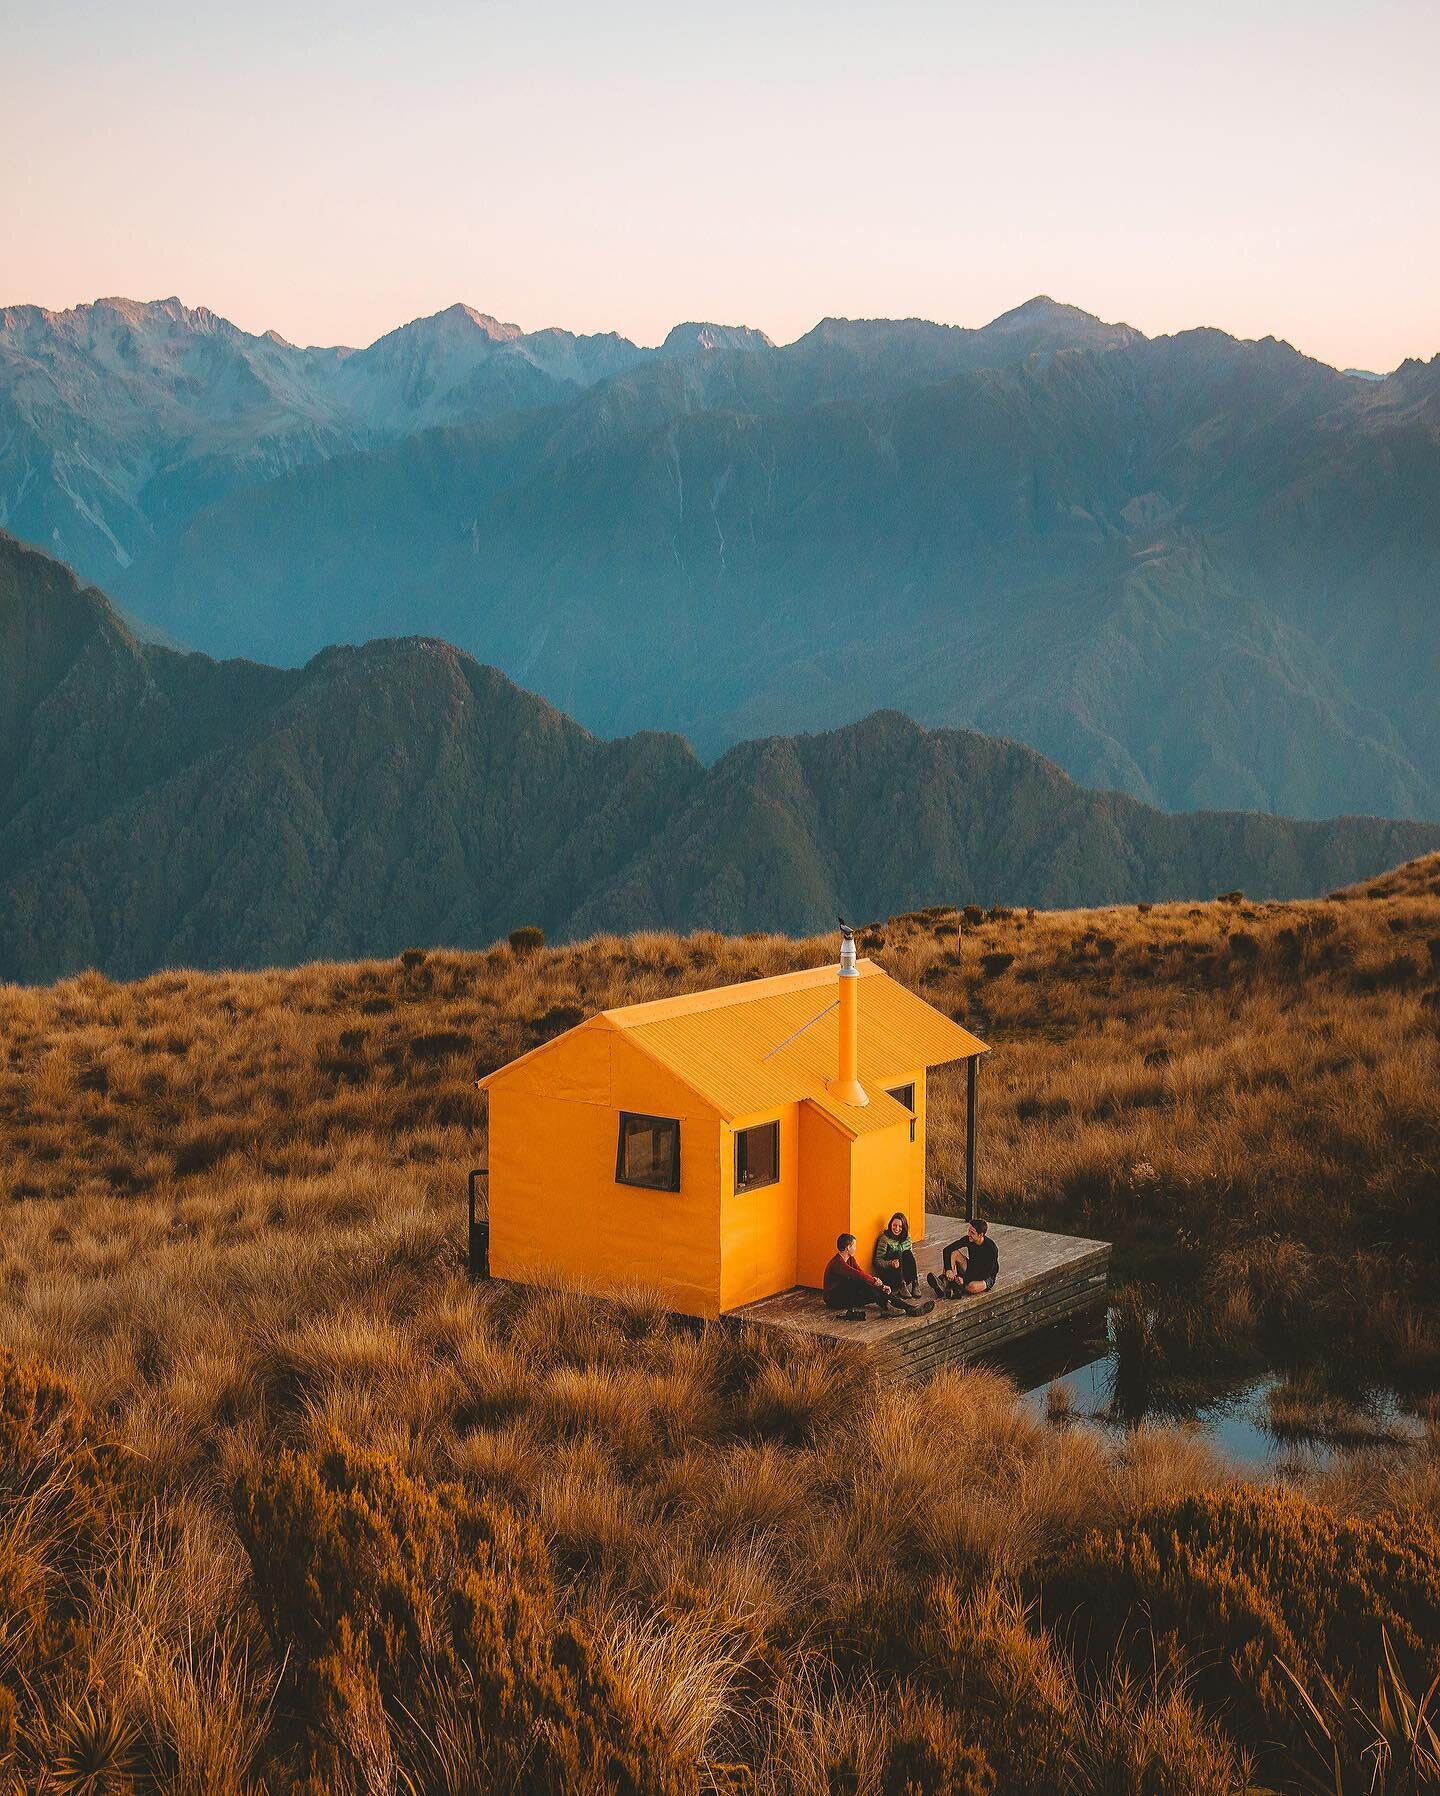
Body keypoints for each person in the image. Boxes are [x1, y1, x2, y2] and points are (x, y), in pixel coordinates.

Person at [824, 1233, 933, 1320]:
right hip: (835, 1299)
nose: (855, 1248)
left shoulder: (850, 1259)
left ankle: (909, 1308)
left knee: (875, 1291)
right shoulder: (838, 1263)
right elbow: (857, 1275)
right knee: (860, 1282)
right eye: (854, 1245)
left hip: (847, 1295)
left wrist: (882, 1286)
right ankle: (889, 1307)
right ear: (848, 1247)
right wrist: (875, 1282)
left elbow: (860, 1271)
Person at [928, 1219, 998, 1299]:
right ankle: (948, 1282)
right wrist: (948, 1269)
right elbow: (947, 1250)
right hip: (971, 1268)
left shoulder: (991, 1248)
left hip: (985, 1276)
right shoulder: (969, 1239)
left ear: (981, 1235)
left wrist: (964, 1279)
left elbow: (985, 1274)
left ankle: (952, 1287)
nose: (969, 1234)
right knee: (954, 1253)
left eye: (972, 1233)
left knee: (971, 1287)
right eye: (969, 1231)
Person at [874, 1211, 920, 1298]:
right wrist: (890, 1263)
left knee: (908, 1253)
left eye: (900, 1226)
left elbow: (910, 1260)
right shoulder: (884, 1239)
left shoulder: (907, 1237)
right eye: (894, 1225)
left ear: (904, 1228)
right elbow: (877, 1261)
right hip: (891, 1275)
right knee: (897, 1253)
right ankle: (901, 1286)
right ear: (890, 1224)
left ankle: (915, 1283)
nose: (897, 1228)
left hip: (905, 1275)